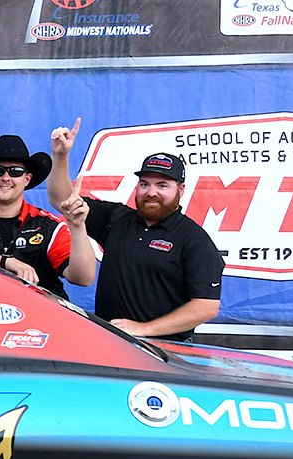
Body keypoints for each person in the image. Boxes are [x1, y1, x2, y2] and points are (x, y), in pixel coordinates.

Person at [48, 119, 222, 341]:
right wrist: (60, 156)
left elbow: (206, 307)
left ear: (181, 190)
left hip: (165, 351)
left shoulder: (194, 240)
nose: (151, 192)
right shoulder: (117, 218)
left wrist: (143, 329)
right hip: (111, 343)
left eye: (162, 185)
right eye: (144, 184)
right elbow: (63, 200)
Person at [0, 134, 96, 299]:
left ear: (27, 179)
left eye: (15, 171)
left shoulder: (49, 225)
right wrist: (2, 262)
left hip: (41, 318)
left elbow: (83, 278)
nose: (6, 178)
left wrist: (78, 227)